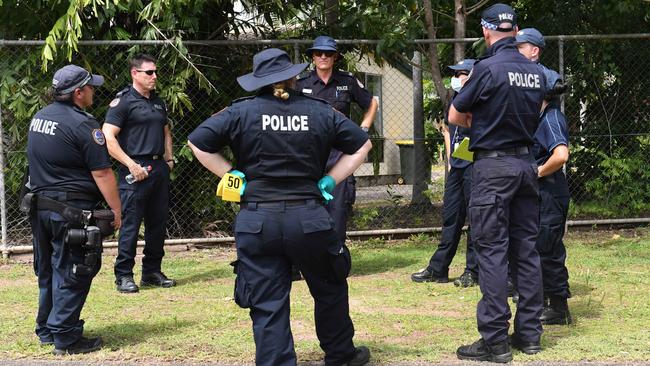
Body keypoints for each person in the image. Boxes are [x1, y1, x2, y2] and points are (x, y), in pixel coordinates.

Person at [188, 48, 372, 366]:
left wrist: (231, 175)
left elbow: (197, 141)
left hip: (258, 219)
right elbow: (363, 145)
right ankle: (341, 354)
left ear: (257, 81)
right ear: (292, 76)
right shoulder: (320, 110)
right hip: (310, 218)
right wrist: (330, 180)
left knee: (267, 299)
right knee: (329, 286)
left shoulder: (240, 112)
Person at [447, 4, 547, 362]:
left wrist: (487, 124)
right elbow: (534, 113)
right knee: (527, 250)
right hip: (526, 165)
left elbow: (455, 114)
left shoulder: (486, 69)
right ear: (516, 30)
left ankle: (494, 341)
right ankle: (530, 335)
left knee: (491, 252)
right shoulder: (535, 72)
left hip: (492, 167)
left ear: (487, 31)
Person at [26, 64, 121, 355]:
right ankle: (66, 338)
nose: (94, 91)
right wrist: (117, 211)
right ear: (78, 93)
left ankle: (47, 329)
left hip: (40, 206)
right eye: (90, 86)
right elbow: (103, 173)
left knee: (48, 269)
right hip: (70, 211)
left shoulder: (40, 117)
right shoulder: (84, 125)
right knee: (74, 269)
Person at [296, 35, 378, 249]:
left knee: (338, 208)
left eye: (328, 53)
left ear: (335, 57)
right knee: (303, 205)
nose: (323, 57)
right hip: (308, 154)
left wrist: (363, 129)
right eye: (318, 53)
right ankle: (302, 259)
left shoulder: (347, 81)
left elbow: (371, 104)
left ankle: (334, 258)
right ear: (312, 57)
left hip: (339, 154)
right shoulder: (300, 83)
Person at [103, 54, 176, 293]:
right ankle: (123, 275)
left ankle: (152, 272)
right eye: (149, 72)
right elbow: (108, 136)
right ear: (135, 73)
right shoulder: (123, 102)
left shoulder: (158, 102)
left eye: (155, 72)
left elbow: (166, 132)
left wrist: (169, 159)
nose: (154, 76)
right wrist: (131, 164)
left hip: (158, 170)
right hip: (134, 172)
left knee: (157, 223)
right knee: (131, 226)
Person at [515, 29, 573, 325]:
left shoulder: (550, 117)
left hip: (550, 190)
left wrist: (536, 172)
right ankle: (543, 300)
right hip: (540, 192)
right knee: (537, 245)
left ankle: (559, 308)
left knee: (548, 248)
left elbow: (561, 155)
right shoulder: (534, 118)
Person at [411, 59, 479, 287]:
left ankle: (473, 270)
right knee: (451, 218)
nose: (458, 78)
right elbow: (448, 130)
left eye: (462, 74)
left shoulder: (481, 99)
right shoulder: (454, 99)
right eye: (456, 74)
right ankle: (438, 268)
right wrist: (450, 160)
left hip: (475, 166)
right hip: (458, 165)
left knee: (475, 220)